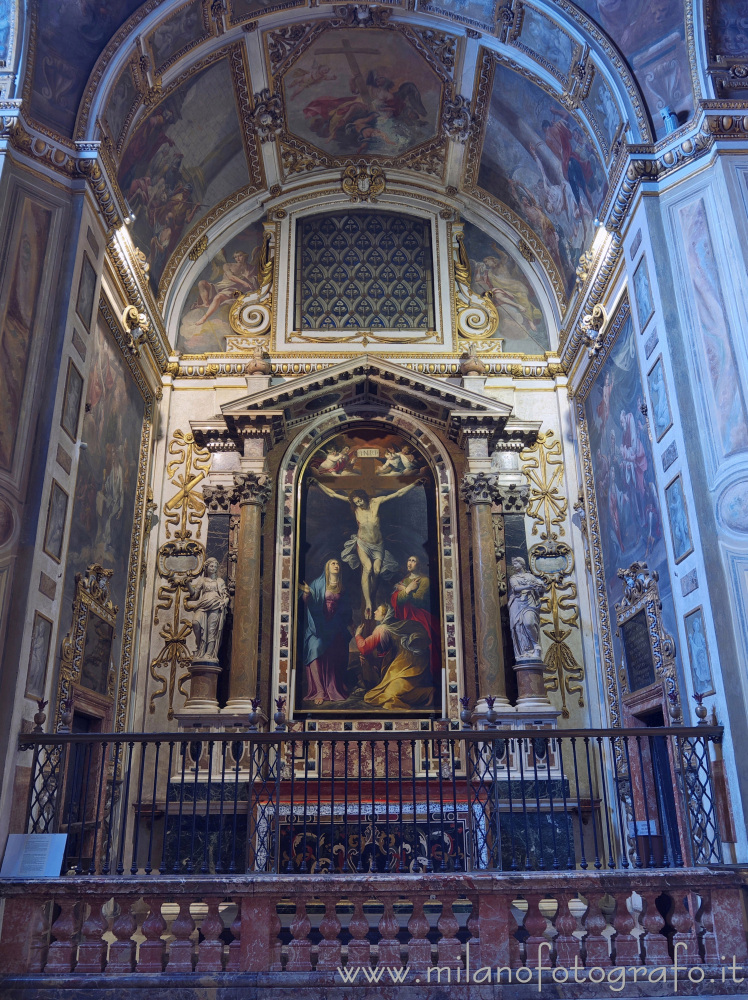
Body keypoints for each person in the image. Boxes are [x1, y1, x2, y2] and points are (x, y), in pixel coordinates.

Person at [311, 478, 424, 617]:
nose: (359, 504)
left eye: (360, 501)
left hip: (378, 545)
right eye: (356, 503)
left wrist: (413, 484)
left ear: (364, 497)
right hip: (363, 543)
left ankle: (373, 593)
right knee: (368, 568)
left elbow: (398, 494)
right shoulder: (357, 509)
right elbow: (333, 494)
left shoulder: (376, 502)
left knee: (376, 571)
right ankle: (369, 602)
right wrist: (318, 483)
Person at [355, 603, 434, 711]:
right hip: (413, 662)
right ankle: (427, 692)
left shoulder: (382, 628)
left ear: (385, 615)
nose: (374, 612)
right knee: (378, 695)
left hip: (407, 663)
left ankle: (426, 693)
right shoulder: (396, 624)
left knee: (386, 697)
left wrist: (358, 635)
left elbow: (364, 647)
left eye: (378, 611)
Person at [299, 558, 350, 704]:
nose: (336, 565)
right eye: (332, 563)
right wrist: (307, 594)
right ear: (327, 568)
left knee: (338, 647)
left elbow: (345, 609)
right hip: (318, 624)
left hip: (334, 624)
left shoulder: (342, 587)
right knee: (314, 648)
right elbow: (310, 603)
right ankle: (319, 690)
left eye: (337, 564)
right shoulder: (317, 583)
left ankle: (336, 684)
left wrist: (348, 623)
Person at [391, 555, 439, 678]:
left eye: (413, 561)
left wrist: (406, 590)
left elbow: (419, 600)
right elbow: (398, 600)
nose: (410, 563)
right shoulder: (404, 580)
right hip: (406, 616)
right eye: (409, 560)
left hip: (420, 616)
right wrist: (408, 590)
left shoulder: (424, 580)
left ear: (419, 564)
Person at [185, 557, 229, 660]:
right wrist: (188, 584)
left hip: (215, 605)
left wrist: (224, 602)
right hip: (202, 605)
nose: (213, 568)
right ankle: (200, 647)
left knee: (211, 630)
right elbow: (195, 595)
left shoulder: (220, 581)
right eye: (211, 566)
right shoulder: (202, 580)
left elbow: (225, 595)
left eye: (215, 566)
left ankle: (208, 654)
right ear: (206, 567)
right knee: (196, 623)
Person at [507, 557, 545, 661]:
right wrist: (528, 586)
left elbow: (540, 589)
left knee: (528, 623)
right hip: (518, 604)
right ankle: (526, 651)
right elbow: (515, 588)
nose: (514, 566)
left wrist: (540, 587)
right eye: (513, 564)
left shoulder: (530, 576)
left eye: (516, 564)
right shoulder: (513, 578)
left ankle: (535, 645)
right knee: (519, 626)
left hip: (530, 603)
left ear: (522, 564)